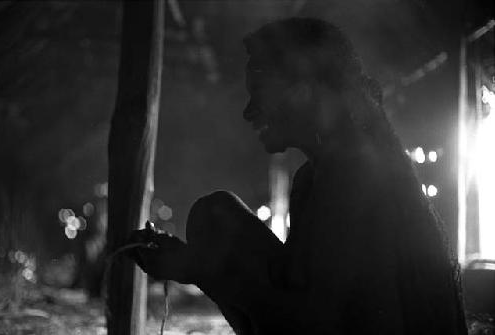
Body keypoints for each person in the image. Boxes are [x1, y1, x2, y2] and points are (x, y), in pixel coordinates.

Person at [127, 18, 467, 335]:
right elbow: (296, 303)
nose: (249, 111)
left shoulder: (356, 177)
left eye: (258, 92)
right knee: (214, 216)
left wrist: (197, 269)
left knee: (215, 218)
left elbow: (312, 324)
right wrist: (199, 267)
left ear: (304, 90)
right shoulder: (313, 179)